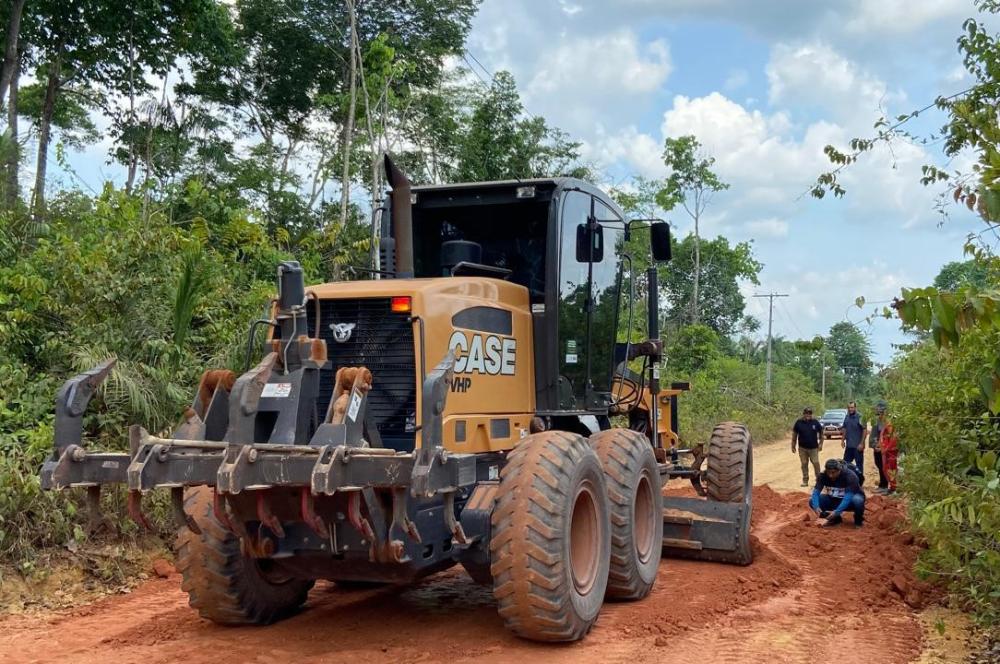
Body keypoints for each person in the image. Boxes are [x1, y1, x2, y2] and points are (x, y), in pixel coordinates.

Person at [810, 458, 865, 528]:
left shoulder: (850, 476)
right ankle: (834, 519)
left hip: (850, 501)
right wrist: (816, 506)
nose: (830, 475)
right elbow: (816, 492)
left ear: (839, 470)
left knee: (858, 500)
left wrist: (838, 511)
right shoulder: (823, 476)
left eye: (833, 472)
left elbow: (848, 496)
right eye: (828, 472)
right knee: (812, 501)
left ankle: (858, 520)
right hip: (833, 499)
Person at [792, 407, 824, 487]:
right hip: (802, 448)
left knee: (816, 463)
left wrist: (820, 444)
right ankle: (805, 480)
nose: (808, 415)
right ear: (804, 414)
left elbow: (821, 433)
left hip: (814, 448)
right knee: (804, 463)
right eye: (806, 413)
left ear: (811, 414)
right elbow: (794, 434)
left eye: (810, 413)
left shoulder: (815, 422)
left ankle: (819, 480)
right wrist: (793, 445)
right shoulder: (799, 422)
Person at [841, 401, 867, 475]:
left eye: (852, 407)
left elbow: (864, 430)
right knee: (845, 464)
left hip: (857, 446)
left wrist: (861, 443)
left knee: (859, 465)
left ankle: (859, 483)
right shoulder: (847, 417)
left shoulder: (860, 417)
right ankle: (847, 481)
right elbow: (844, 429)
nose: (850, 409)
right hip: (849, 446)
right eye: (849, 408)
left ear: (855, 408)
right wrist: (842, 440)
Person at [869, 401, 889, 491]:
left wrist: (881, 446)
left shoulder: (887, 421)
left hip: (884, 448)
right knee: (879, 464)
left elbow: (886, 436)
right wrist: (874, 446)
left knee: (884, 466)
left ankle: (885, 485)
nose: (879, 412)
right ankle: (882, 484)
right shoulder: (877, 420)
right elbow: (874, 434)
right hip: (877, 446)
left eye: (881, 411)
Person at [879, 418, 899, 495]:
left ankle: (894, 488)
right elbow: (881, 439)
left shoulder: (895, 432)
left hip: (892, 453)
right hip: (885, 453)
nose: (888, 425)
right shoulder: (884, 430)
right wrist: (881, 447)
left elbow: (893, 442)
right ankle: (892, 487)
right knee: (886, 469)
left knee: (892, 470)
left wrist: (886, 449)